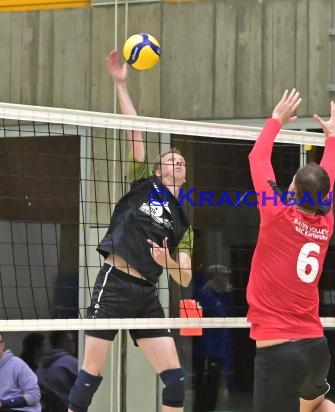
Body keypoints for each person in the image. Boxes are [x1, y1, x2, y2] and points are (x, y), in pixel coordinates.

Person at [67, 49, 193, 412]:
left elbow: (184, 277)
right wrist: (121, 85)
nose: (177, 160)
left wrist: (166, 260)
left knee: (175, 380)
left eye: (182, 161)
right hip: (115, 283)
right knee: (90, 374)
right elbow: (133, 129)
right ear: (157, 170)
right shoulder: (142, 184)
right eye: (170, 158)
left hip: (147, 296)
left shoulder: (184, 223)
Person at [246, 89, 335, 412]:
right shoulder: (326, 223)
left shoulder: (276, 214)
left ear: (292, 191)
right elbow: (327, 177)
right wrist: (332, 139)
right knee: (320, 407)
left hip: (279, 353)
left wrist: (276, 120)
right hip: (316, 350)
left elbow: (257, 159)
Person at [192, 264, 233, 412]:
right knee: (205, 388)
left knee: (213, 388)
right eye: (223, 275)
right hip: (207, 351)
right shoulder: (205, 295)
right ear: (215, 277)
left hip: (218, 350)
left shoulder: (221, 297)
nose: (227, 278)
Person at [37, 331, 78, 412]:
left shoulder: (41, 367)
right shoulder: (71, 363)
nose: (74, 343)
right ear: (63, 343)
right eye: (71, 340)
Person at [0, 332, 41, 412]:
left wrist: (3, 403)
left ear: (3, 344)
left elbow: (34, 395)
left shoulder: (17, 364)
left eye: (0, 342)